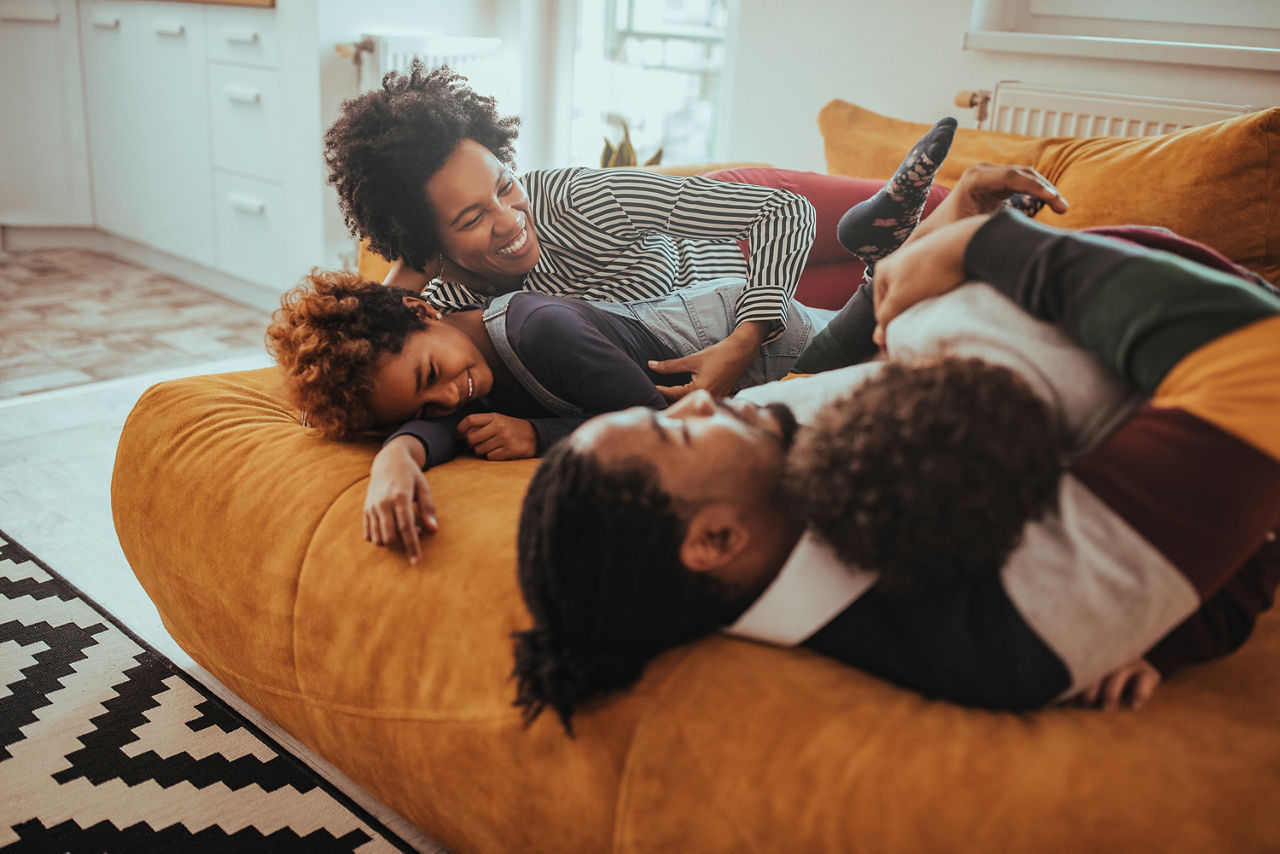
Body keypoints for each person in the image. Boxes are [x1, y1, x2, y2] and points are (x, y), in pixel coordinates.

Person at [511, 202, 1280, 734]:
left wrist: (902, 267)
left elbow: (802, 386)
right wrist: (984, 246)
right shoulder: (1003, 627)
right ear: (713, 542)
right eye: (674, 435)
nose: (698, 405)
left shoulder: (763, 489)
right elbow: (1261, 367)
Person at [323, 61, 822, 400]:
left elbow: (786, 214)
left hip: (749, 249)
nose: (510, 220)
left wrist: (744, 342)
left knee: (883, 227)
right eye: (471, 218)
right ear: (427, 243)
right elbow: (367, 351)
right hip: (724, 302)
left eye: (504, 186)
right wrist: (410, 267)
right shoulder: (449, 305)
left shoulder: (577, 200)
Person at [265, 267, 826, 563]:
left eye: (429, 375)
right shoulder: (458, 371)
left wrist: (539, 433)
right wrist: (397, 456)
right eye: (422, 403)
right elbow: (439, 426)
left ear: (423, 309)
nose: (446, 399)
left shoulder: (541, 331)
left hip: (748, 337)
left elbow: (655, 420)